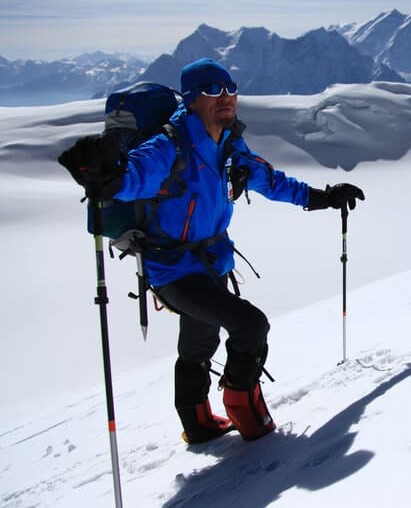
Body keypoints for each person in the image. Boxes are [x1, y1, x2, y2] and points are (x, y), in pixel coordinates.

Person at [61, 58, 364, 443]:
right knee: (251, 325)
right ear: (191, 98)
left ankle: (197, 424)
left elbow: (269, 180)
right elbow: (138, 174)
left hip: (213, 261)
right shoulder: (169, 146)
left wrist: (322, 197)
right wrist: (111, 177)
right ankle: (247, 413)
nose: (225, 98)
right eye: (212, 90)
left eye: (230, 88)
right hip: (171, 269)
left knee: (199, 341)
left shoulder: (229, 143)